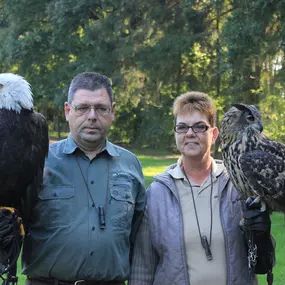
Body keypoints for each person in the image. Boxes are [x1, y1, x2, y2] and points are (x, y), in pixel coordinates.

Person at [129, 91, 275, 285]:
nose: (190, 133)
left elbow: (263, 264)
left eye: (199, 126)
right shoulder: (157, 193)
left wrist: (261, 235)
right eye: (182, 127)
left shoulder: (237, 185)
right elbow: (142, 269)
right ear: (175, 134)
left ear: (214, 134)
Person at [22, 72, 146, 285]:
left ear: (113, 111)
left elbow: (141, 236)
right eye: (82, 108)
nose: (92, 116)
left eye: (101, 108)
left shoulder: (130, 164)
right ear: (68, 111)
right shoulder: (39, 162)